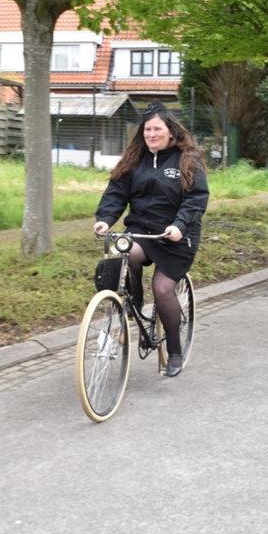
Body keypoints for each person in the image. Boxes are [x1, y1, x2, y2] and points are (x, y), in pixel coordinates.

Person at [94, 102, 210, 378]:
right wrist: (105, 219)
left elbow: (195, 199)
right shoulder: (134, 159)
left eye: (157, 128)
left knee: (163, 289)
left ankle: (175, 351)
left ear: (170, 131)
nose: (152, 134)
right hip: (141, 230)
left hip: (177, 235)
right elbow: (116, 192)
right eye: (147, 129)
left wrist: (179, 225)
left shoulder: (187, 159)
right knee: (127, 253)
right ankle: (133, 304)